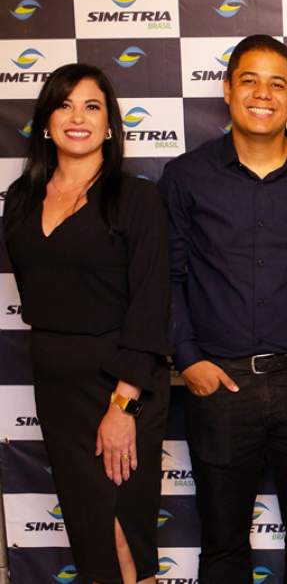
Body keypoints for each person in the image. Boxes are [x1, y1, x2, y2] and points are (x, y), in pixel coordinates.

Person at [158, 35, 287, 583]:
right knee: (222, 543)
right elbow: (165, 278)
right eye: (249, 80)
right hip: (220, 388)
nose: (262, 94)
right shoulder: (186, 176)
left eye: (277, 83)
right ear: (227, 90)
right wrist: (188, 359)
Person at [3, 63, 170, 584]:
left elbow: (151, 305)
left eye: (91, 107)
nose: (78, 118)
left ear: (110, 125)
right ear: (45, 123)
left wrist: (123, 406)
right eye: (64, 105)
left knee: (122, 531)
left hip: (119, 384)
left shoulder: (136, 198)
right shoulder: (22, 198)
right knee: (90, 536)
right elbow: (36, 292)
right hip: (57, 388)